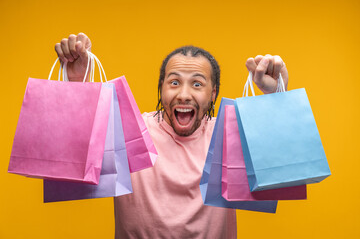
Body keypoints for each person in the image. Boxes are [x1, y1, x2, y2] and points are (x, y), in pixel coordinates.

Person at [55, 33, 289, 239]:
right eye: (174, 82)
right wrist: (77, 84)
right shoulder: (129, 132)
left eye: (197, 84)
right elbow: (73, 161)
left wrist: (275, 98)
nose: (184, 94)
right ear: (161, 88)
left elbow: (278, 174)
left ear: (213, 93)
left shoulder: (230, 138)